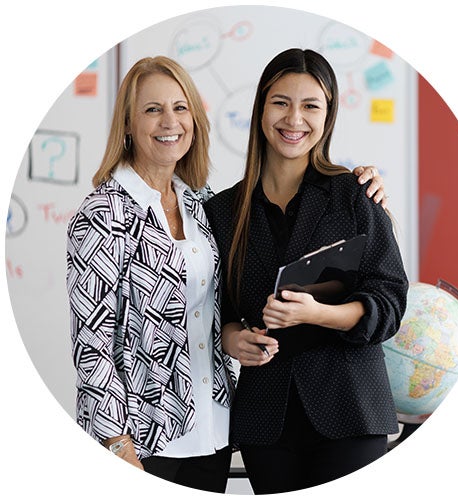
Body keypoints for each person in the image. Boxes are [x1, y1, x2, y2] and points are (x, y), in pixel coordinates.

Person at [66, 55, 387, 493]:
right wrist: (116, 444)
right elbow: (94, 342)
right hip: (156, 436)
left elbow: (220, 310)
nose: (169, 122)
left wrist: (248, 332)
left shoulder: (204, 205)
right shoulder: (130, 212)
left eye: (181, 108)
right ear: (127, 123)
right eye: (152, 109)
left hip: (227, 428)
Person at [204, 48, 408, 494]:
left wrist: (318, 314)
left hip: (351, 412)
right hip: (266, 424)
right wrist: (234, 339)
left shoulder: (354, 194)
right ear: (260, 108)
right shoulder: (222, 211)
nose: (294, 119)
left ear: (328, 114)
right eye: (280, 102)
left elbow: (390, 302)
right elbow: (218, 313)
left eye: (311, 105)